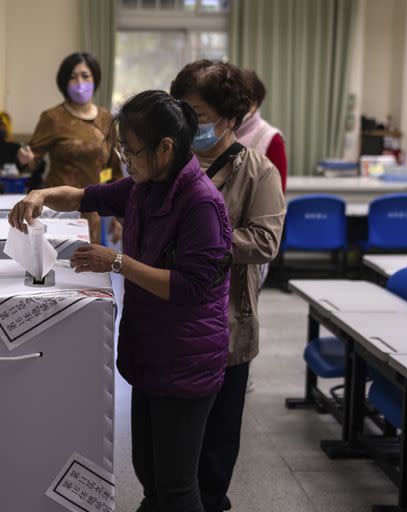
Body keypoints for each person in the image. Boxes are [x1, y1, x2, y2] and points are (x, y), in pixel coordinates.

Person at [10, 90, 233, 512]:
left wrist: (115, 261)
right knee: (150, 473)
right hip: (153, 351)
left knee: (177, 485)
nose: (126, 159)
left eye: (132, 150)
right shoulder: (144, 187)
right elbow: (84, 196)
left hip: (186, 358)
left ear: (165, 148)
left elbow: (190, 288)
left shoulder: (201, 204)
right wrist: (40, 195)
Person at [170, 60, 286, 512]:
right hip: (171, 320)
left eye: (197, 115)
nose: (188, 124)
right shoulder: (170, 161)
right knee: (169, 448)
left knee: (215, 451)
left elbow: (264, 241)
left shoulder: (258, 171)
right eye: (183, 111)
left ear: (229, 118)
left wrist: (202, 241)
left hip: (226, 326)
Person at [16, 52, 122, 244]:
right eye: (72, 77)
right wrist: (25, 158)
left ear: (95, 78)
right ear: (64, 82)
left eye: (85, 75)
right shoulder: (52, 118)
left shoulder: (106, 119)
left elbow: (114, 170)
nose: (79, 82)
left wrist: (119, 213)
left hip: (92, 210)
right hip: (57, 208)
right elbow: (32, 162)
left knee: (87, 267)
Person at [236, 69, 287, 191]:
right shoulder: (220, 132)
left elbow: (277, 194)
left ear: (254, 104)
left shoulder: (272, 138)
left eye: (241, 100)